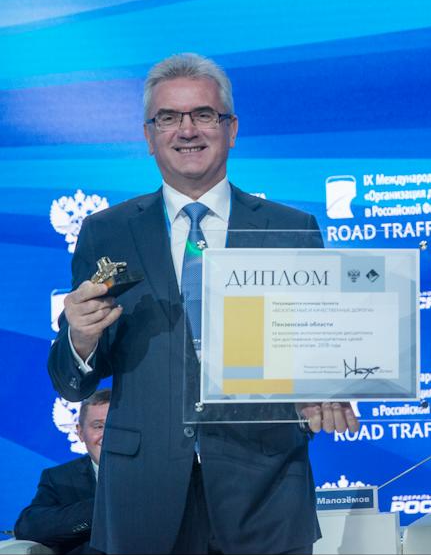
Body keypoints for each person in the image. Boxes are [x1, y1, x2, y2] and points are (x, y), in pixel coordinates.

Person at [48, 53, 358, 554]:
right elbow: (72, 380)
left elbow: (318, 349)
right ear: (149, 136)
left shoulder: (290, 229)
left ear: (231, 129)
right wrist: (80, 339)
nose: (187, 129)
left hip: (265, 494)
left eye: (204, 114)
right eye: (168, 117)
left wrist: (326, 390)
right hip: (141, 500)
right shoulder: (107, 232)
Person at [15, 389, 110, 554]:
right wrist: (105, 507)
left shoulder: (155, 474)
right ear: (80, 432)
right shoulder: (59, 478)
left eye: (115, 426)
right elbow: (28, 528)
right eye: (99, 426)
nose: (108, 435)